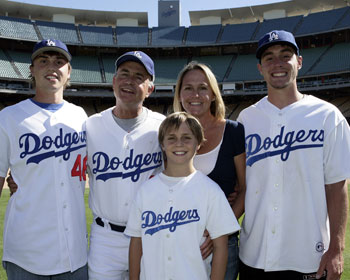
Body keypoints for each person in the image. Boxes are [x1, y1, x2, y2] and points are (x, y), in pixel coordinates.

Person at [237, 30, 350, 280]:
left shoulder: (327, 116)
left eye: (285, 56)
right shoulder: (246, 119)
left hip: (308, 256)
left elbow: (337, 186)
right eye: (269, 58)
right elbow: (242, 185)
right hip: (254, 254)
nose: (277, 64)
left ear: (298, 62)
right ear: (260, 68)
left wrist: (336, 249)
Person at [0, 39, 88, 279]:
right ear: (32, 69)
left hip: (75, 254)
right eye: (43, 61)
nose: (52, 67)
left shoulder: (80, 116)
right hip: (26, 255)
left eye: (59, 62)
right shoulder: (8, 118)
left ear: (69, 71)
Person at [125, 111, 240, 280]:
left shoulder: (211, 191)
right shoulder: (146, 191)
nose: (179, 143)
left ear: (198, 143)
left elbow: (221, 246)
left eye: (187, 137)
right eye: (171, 138)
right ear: (162, 144)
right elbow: (136, 242)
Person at [85, 51, 165, 280]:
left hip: (150, 234)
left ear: (150, 88)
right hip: (105, 239)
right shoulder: (91, 126)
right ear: (114, 81)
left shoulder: (162, 126)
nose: (129, 81)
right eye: (124, 74)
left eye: (139, 76)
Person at [173, 61, 246, 280]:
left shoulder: (233, 131)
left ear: (213, 94)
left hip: (223, 242)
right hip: (179, 239)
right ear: (179, 94)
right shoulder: (169, 133)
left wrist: (217, 232)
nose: (195, 94)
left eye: (203, 88)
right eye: (188, 88)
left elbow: (244, 190)